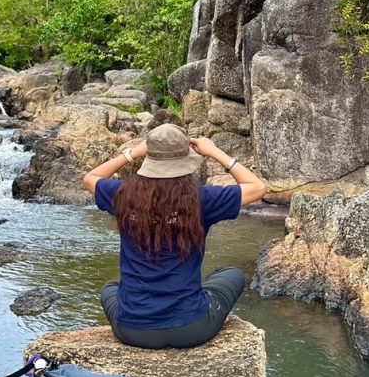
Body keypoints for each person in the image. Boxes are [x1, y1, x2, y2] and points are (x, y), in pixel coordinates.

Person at [82, 123, 268, 350]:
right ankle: (211, 313)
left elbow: (90, 178)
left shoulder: (122, 194)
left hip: (132, 331)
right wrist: (214, 151)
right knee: (231, 275)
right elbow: (257, 187)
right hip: (191, 329)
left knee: (110, 289)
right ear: (186, 160)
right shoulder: (202, 199)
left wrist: (132, 153)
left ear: (149, 159)